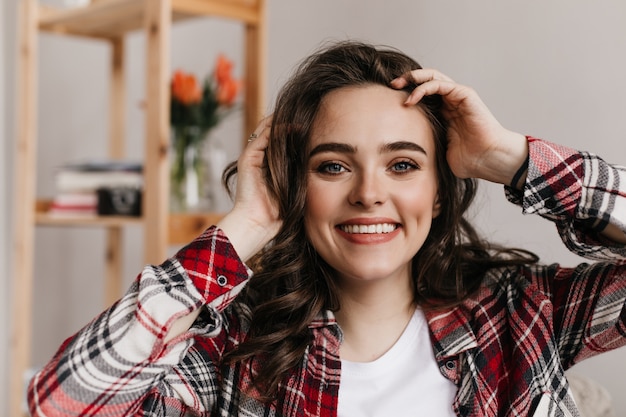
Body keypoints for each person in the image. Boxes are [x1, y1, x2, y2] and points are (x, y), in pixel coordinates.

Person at [28, 41, 626, 417]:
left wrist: (513, 159)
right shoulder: (232, 352)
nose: (368, 193)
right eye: (333, 166)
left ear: (439, 190)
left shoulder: (526, 312)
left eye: (402, 165)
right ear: (295, 188)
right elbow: (61, 403)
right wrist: (246, 224)